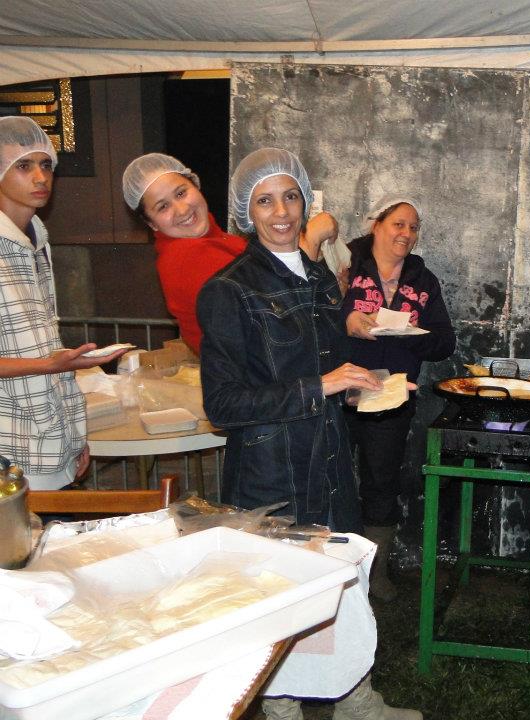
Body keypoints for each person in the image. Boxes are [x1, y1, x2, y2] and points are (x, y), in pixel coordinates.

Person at [196, 147, 420, 720]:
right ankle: (284, 706)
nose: (281, 213)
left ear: (304, 200)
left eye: (290, 197)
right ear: (247, 210)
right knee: (278, 596)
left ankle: (354, 699)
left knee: (340, 585)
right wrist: (320, 386)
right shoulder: (228, 289)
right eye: (264, 200)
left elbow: (327, 357)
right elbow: (222, 404)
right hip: (271, 472)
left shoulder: (314, 272)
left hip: (327, 456)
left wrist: (368, 382)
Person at [0, 117, 129, 489]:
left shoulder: (37, 241)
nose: (40, 177)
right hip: (10, 451)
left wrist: (73, 436)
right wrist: (48, 364)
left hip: (51, 443)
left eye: (45, 165)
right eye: (23, 166)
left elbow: (46, 348)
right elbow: (44, 361)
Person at [343, 194, 455, 601]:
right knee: (331, 478)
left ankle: (375, 574)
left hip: (391, 393)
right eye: (398, 224)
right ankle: (331, 574)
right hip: (341, 386)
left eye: (413, 227)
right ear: (377, 226)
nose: (406, 233)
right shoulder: (344, 265)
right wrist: (348, 320)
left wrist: (413, 336)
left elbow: (445, 342)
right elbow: (315, 315)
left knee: (382, 482)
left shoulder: (423, 282)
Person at [122, 152, 339, 355]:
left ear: (196, 185)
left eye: (181, 193)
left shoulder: (225, 242)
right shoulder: (184, 258)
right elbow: (281, 309)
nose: (182, 210)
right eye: (163, 207)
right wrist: (310, 238)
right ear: (151, 223)